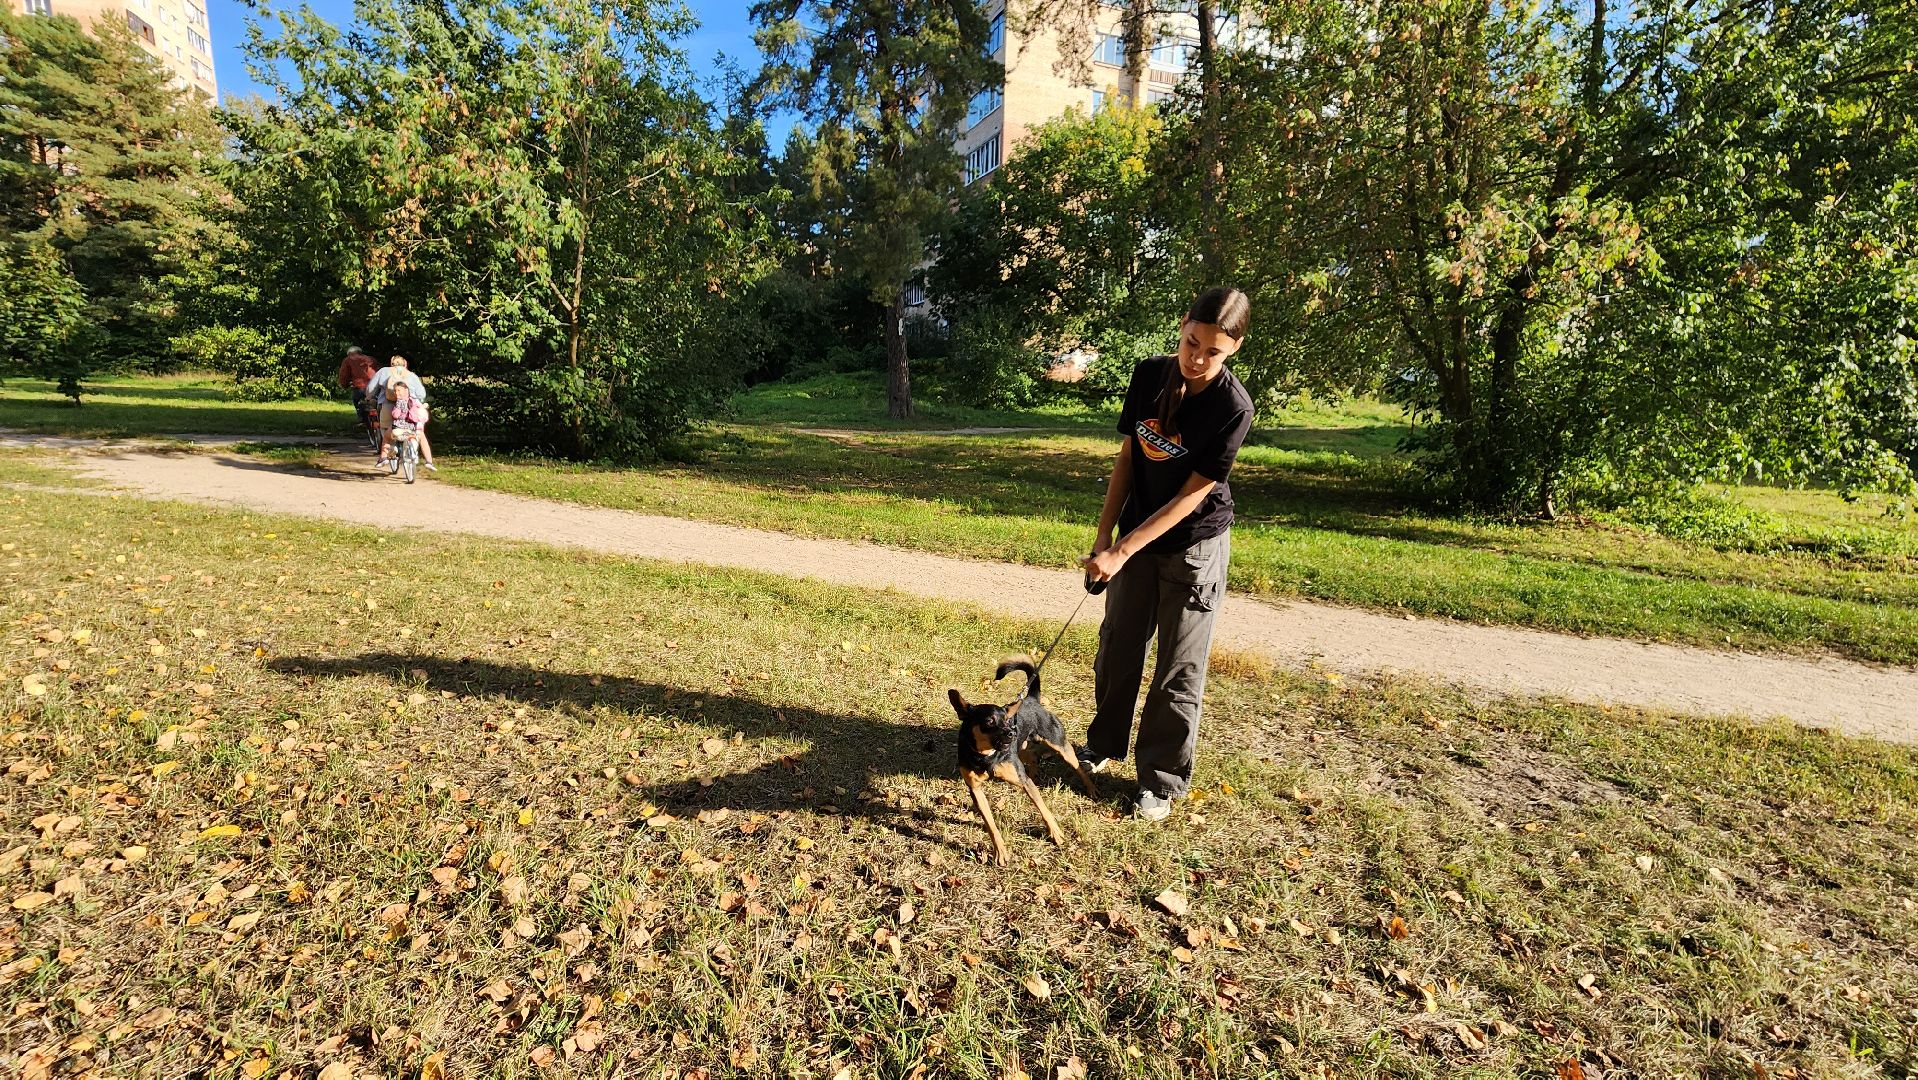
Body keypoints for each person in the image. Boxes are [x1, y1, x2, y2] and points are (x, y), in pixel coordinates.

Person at [1079, 287, 1255, 822]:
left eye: (1213, 352)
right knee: (1118, 645)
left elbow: (1190, 497)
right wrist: (1103, 539)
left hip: (1192, 545)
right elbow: (1128, 460)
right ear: (1182, 326)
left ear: (1234, 351)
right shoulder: (1149, 375)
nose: (1197, 358)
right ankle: (1105, 745)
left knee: (1178, 669)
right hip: (1133, 537)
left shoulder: (1232, 408)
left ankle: (1161, 780)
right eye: (1191, 342)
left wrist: (1124, 549)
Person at [367, 355, 435, 470]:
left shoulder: (383, 372)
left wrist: (370, 398)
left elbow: (370, 389)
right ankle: (428, 460)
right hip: (412, 412)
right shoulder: (411, 375)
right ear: (405, 364)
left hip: (387, 406)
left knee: (385, 430)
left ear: (391, 364)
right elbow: (422, 395)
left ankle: (388, 452)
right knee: (420, 434)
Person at [387, 381, 430, 480]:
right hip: (413, 427)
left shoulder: (399, 402)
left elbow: (395, 415)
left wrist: (396, 410)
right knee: (416, 438)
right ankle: (424, 459)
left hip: (400, 427)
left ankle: (389, 454)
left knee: (390, 436)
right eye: (395, 391)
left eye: (399, 390)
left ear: (406, 390)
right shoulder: (414, 401)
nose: (397, 393)